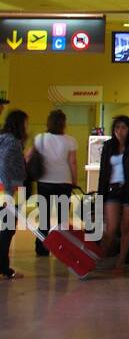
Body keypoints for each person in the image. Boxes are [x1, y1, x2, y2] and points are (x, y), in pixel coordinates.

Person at [98, 115, 129, 272]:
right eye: (117, 128)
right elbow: (103, 172)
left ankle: (120, 263)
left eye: (124, 128)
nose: (120, 131)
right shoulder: (108, 147)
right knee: (111, 228)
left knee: (125, 228)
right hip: (112, 190)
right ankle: (99, 258)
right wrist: (101, 195)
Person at [32, 110, 78, 257]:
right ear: (64, 123)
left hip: (44, 181)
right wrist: (74, 180)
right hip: (64, 182)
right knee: (62, 218)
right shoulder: (70, 140)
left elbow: (27, 156)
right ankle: (62, 248)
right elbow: (72, 162)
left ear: (49, 122)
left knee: (44, 218)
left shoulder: (40, 138)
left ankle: (41, 248)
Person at [0, 109, 33, 280]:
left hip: (8, 189)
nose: (27, 126)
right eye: (26, 123)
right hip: (10, 191)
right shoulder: (12, 142)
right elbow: (5, 164)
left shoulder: (5, 140)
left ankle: (4, 267)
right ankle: (4, 268)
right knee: (7, 230)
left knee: (6, 229)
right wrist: (8, 193)